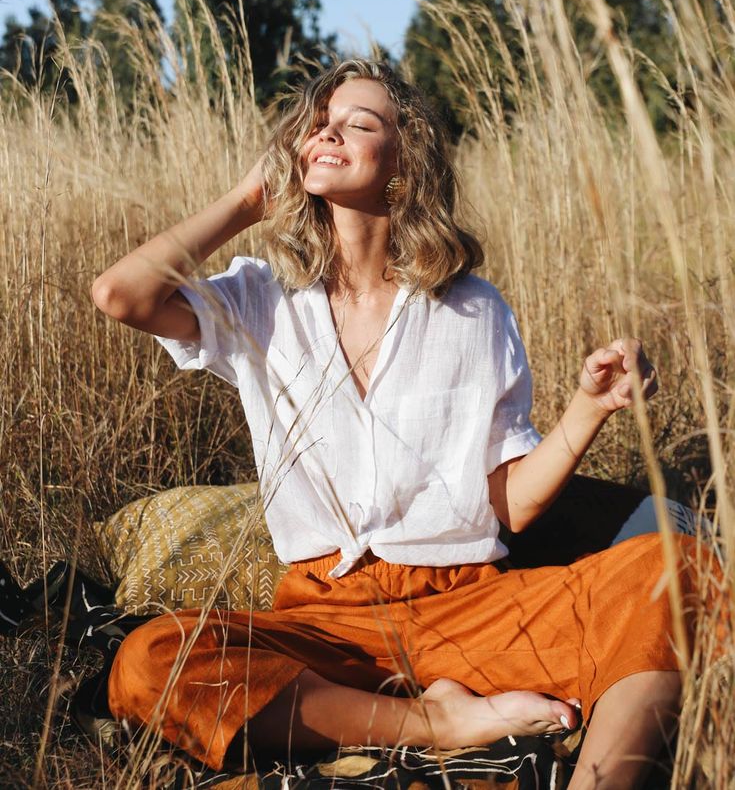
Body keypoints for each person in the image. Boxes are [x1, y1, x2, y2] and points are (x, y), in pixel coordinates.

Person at [93, 59, 695, 790]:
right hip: (327, 622)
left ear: (405, 159)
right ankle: (434, 722)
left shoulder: (472, 309)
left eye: (359, 122)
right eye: (319, 123)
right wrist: (249, 197)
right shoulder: (261, 300)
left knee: (680, 570)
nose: (328, 132)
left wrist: (588, 409)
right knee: (152, 658)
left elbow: (506, 500)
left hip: (470, 604)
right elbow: (120, 294)